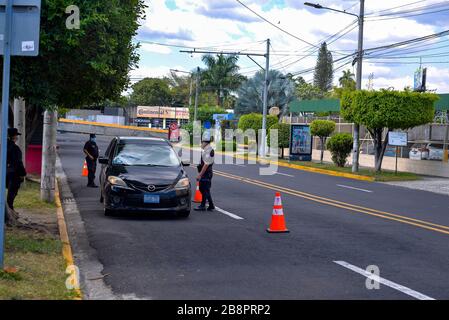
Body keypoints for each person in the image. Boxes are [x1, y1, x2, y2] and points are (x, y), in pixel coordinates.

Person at [6, 128, 27, 211]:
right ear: (14, 137)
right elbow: (18, 162)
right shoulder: (15, 148)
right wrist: (23, 174)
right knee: (12, 193)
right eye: (16, 136)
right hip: (14, 173)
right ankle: (10, 209)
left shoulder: (4, 146)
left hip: (5, 172)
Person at [194, 131, 215, 212]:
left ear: (205, 142)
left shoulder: (209, 150)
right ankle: (211, 205)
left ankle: (203, 206)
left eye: (202, 142)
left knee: (203, 189)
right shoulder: (207, 150)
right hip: (206, 173)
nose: (201, 144)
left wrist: (200, 175)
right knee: (205, 189)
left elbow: (206, 164)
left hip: (206, 173)